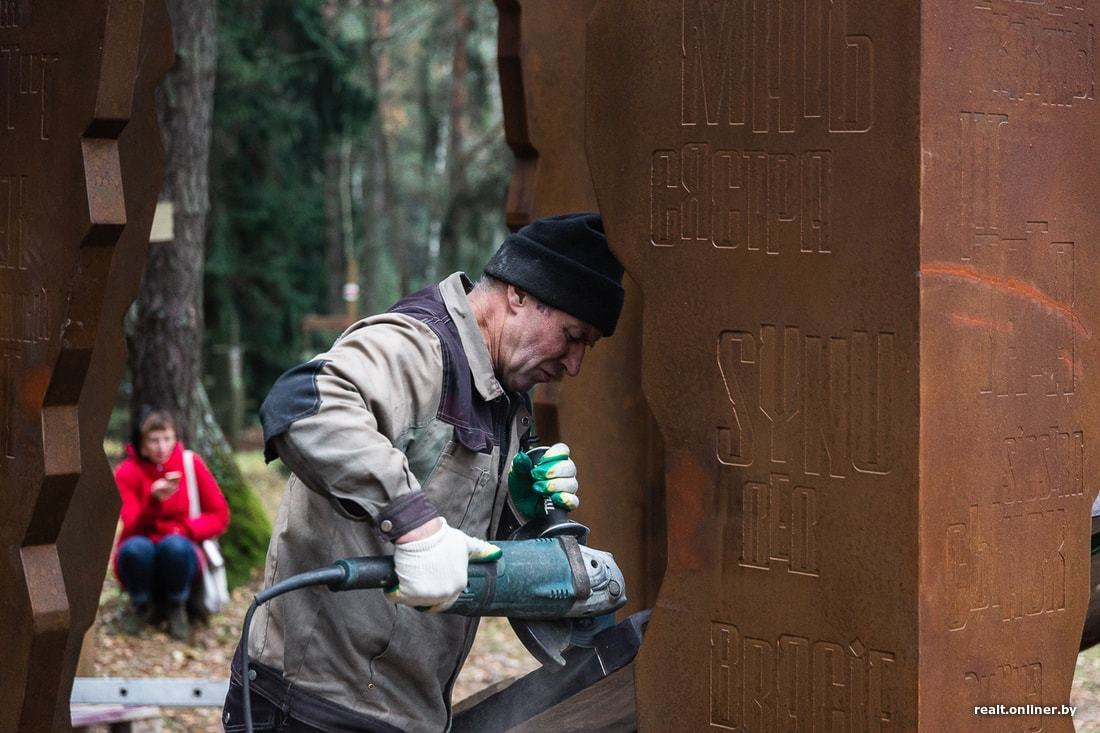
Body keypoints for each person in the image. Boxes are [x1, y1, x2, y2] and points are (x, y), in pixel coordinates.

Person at [221, 212, 624, 732]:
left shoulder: (504, 392)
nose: (574, 365)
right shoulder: (418, 346)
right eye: (572, 336)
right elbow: (303, 405)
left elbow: (454, 539)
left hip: (403, 710)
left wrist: (517, 510)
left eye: (586, 346)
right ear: (521, 296)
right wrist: (417, 526)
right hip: (312, 706)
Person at [114, 410, 231, 641]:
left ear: (175, 439)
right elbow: (131, 525)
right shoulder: (127, 472)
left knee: (174, 546)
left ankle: (178, 606)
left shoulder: (190, 464)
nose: (161, 447)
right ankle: (141, 605)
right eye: (154, 440)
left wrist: (185, 530)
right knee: (135, 548)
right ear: (143, 444)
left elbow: (220, 515)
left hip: (181, 549)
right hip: (142, 546)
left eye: (167, 439)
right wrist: (153, 501)